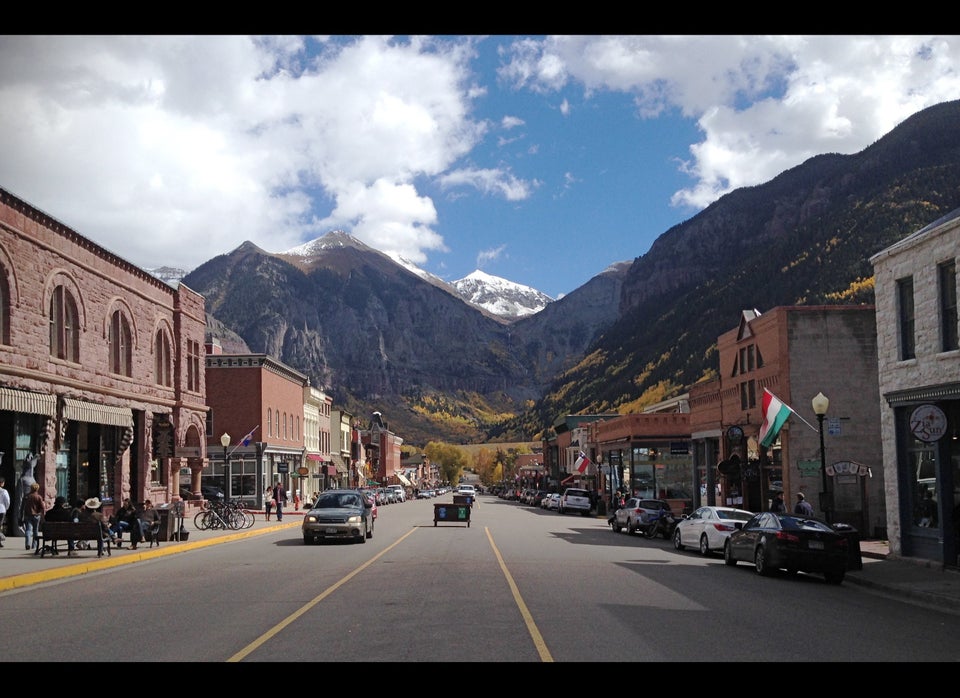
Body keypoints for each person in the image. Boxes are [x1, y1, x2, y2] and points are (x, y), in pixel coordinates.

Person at [21, 482, 44, 552]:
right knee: (35, 530)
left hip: (28, 515)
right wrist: (39, 512)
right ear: (37, 489)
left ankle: (27, 543)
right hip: (36, 516)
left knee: (28, 530)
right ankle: (34, 545)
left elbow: (22, 507)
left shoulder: (27, 496)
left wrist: (22, 514)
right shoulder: (39, 497)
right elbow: (42, 507)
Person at [0, 476, 9, 547]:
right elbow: (7, 501)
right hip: (1, 510)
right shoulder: (4, 491)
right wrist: (6, 508)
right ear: (2, 483)